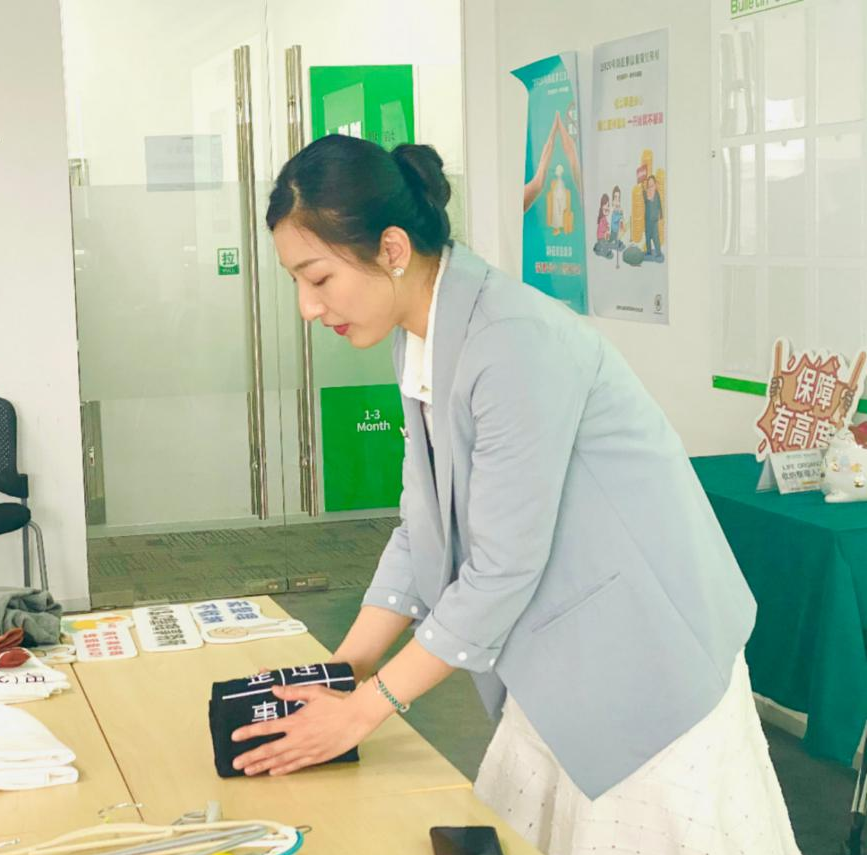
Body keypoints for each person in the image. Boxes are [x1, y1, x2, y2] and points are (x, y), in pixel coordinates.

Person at [230, 134, 800, 855]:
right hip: (558, 656)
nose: (308, 308)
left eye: (317, 278)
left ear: (393, 249)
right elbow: (422, 524)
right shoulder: (422, 333)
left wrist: (363, 709)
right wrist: (344, 671)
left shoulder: (510, 340)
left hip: (643, 660)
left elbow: (501, 567)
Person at [643, 174, 664, 261]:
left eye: (652, 185)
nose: (650, 187)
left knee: (655, 237)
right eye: (649, 185)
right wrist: (643, 190)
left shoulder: (657, 194)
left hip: (654, 220)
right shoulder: (646, 194)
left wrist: (661, 214)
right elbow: (645, 199)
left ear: (655, 185)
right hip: (647, 220)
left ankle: (658, 253)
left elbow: (659, 204)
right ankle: (648, 251)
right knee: (647, 236)